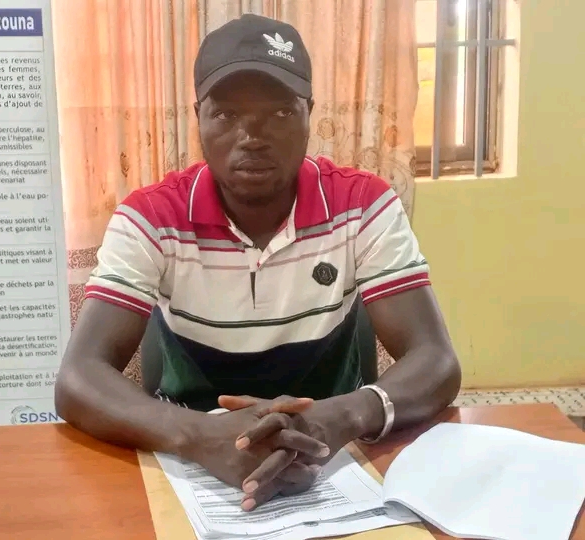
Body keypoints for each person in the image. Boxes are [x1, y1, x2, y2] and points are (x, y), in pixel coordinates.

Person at [55, 13, 461, 511]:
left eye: (281, 112)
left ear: (310, 113)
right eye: (226, 114)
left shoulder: (363, 206)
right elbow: (78, 377)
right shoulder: (152, 217)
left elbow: (436, 360)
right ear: (198, 117)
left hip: (336, 457)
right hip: (190, 460)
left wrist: (337, 419)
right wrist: (201, 436)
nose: (252, 135)